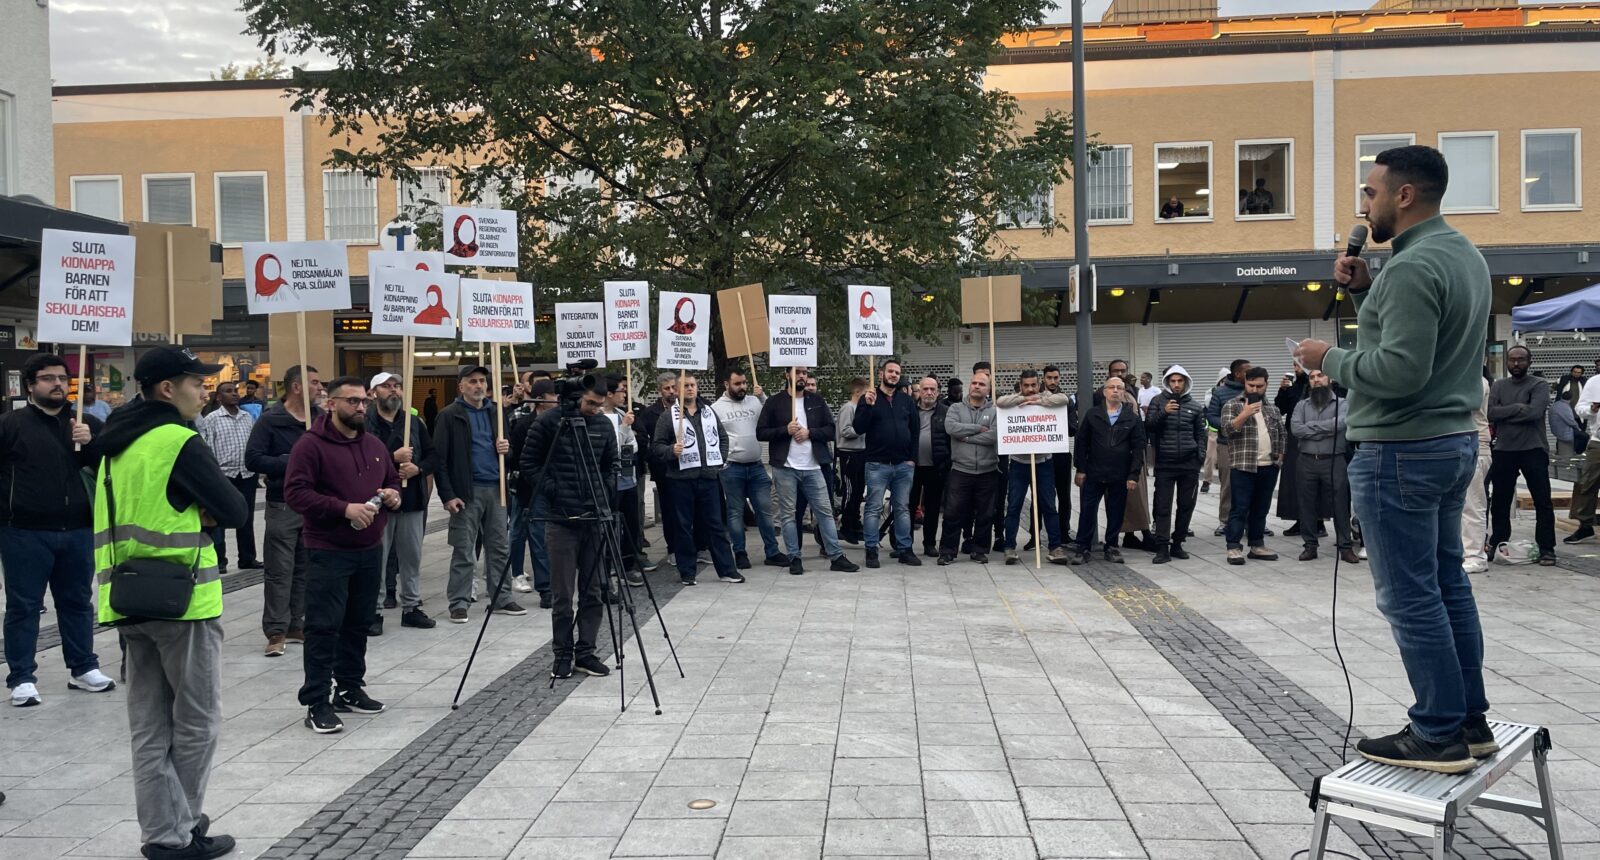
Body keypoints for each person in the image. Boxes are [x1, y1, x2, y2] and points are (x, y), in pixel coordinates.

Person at [1295, 144, 1495, 772]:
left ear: (1404, 195)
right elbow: (1418, 346)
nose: (1365, 206)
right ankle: (1469, 719)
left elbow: (1401, 372)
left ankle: (1437, 731)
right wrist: (1366, 291)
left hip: (1402, 450)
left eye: (1371, 193)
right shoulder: (1461, 255)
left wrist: (1325, 358)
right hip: (1450, 441)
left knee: (1409, 596)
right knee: (1445, 583)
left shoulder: (1413, 268)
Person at [93, 345, 248, 860]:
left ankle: (162, 834)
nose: (204, 388)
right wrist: (205, 512)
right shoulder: (176, 439)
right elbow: (234, 508)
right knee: (198, 721)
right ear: (167, 389)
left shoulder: (115, 442)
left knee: (148, 727)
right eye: (196, 381)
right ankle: (180, 831)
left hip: (128, 597)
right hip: (183, 601)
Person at [284, 377, 401, 733]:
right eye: (352, 402)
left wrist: (394, 496)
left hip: (369, 548)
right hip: (328, 549)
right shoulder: (310, 446)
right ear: (331, 404)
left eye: (363, 401)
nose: (360, 408)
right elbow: (296, 493)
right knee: (323, 627)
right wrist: (342, 509)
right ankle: (316, 700)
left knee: (358, 623)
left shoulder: (374, 444)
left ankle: (349, 688)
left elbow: (393, 480)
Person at [1, 353, 110, 708]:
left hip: (77, 529)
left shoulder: (85, 422)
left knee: (77, 602)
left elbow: (109, 468)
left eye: (63, 378)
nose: (58, 384)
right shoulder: (11, 424)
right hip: (24, 532)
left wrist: (91, 443)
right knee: (24, 606)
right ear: (30, 386)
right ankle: (21, 677)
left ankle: (83, 667)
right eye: (48, 378)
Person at [519, 375, 618, 679]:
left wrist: (603, 490)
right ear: (576, 398)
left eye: (600, 406)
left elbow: (612, 464)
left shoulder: (602, 425)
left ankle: (586, 652)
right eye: (590, 403)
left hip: (594, 519)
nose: (594, 410)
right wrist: (554, 489)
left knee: (594, 591)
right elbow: (528, 463)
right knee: (563, 596)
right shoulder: (550, 422)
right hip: (560, 520)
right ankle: (562, 653)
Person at [435, 365, 524, 622]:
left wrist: (507, 449)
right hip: (467, 490)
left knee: (499, 547)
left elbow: (511, 453)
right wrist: (448, 495)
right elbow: (440, 459)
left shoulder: (496, 413)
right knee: (464, 549)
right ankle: (459, 601)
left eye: (482, 381)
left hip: (496, 489)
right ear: (461, 386)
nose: (478, 386)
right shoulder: (449, 415)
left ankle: (502, 597)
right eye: (472, 381)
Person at [245, 364, 320, 657]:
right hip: (283, 502)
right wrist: (292, 461)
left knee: (305, 566)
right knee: (280, 569)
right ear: (296, 387)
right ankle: (275, 629)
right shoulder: (270, 420)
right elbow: (253, 458)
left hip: (314, 503)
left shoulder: (321, 419)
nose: (319, 387)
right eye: (313, 382)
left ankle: (295, 622)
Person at [757, 368, 860, 575]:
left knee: (825, 513)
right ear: (787, 375)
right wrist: (784, 431)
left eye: (804, 372)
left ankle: (836, 556)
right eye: (797, 372)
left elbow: (831, 430)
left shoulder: (816, 400)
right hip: (786, 467)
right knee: (788, 515)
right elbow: (761, 432)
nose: (802, 376)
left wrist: (810, 433)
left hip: (813, 466)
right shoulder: (775, 402)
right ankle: (794, 557)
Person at [652, 375, 743, 585]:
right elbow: (656, 445)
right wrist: (670, 450)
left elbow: (722, 437)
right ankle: (687, 572)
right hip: (681, 479)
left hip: (708, 478)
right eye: (685, 386)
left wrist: (718, 460)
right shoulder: (669, 417)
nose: (690, 389)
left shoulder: (709, 411)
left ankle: (727, 569)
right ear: (678, 390)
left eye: (692, 385)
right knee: (683, 526)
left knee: (716, 525)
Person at [366, 372, 438, 630]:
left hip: (411, 499)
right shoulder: (364, 424)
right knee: (378, 557)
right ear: (373, 392)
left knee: (411, 557)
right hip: (377, 501)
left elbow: (432, 455)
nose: (393, 391)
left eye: (396, 386)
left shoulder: (414, 423)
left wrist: (417, 468)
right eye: (386, 386)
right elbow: (360, 460)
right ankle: (373, 611)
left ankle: (411, 606)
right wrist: (391, 456)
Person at [1486, 345, 1555, 565]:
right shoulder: (1498, 385)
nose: (1516, 364)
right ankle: (1498, 542)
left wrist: (1506, 412)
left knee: (1542, 501)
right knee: (1499, 501)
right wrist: (1519, 407)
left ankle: (1547, 548)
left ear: (1529, 362)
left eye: (1521, 360)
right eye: (1512, 360)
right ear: (1506, 362)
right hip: (1504, 450)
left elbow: (1535, 412)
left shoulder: (1539, 384)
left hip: (1533, 449)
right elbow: (1490, 413)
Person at [711, 367, 785, 569]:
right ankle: (740, 553)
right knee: (735, 513)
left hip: (756, 467)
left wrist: (762, 397)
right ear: (727, 384)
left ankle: (772, 551)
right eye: (737, 384)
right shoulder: (716, 408)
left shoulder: (754, 401)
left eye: (744, 383)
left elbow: (774, 414)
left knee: (765, 510)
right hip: (732, 468)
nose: (742, 387)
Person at [994, 370, 1070, 564]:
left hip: (1043, 463)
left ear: (1039, 384)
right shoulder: (1016, 398)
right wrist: (1021, 399)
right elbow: (1000, 402)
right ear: (1020, 385)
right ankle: (1009, 547)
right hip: (1019, 464)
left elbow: (1064, 399)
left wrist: (1038, 401)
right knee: (1014, 506)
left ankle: (1055, 547)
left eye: (1033, 385)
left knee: (1049, 506)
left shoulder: (1047, 396)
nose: (1030, 389)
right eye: (1026, 385)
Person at [853, 358, 922, 567]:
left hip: (903, 465)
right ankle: (871, 550)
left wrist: (912, 458)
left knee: (902, 508)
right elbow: (858, 428)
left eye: (897, 372)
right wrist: (867, 406)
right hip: (877, 464)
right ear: (881, 374)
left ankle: (905, 549)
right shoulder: (869, 398)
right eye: (890, 371)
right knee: (873, 508)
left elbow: (915, 430)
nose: (893, 375)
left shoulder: (906, 401)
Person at [1070, 376, 1145, 564]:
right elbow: (1081, 443)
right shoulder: (1093, 415)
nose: (1115, 391)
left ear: (1124, 392)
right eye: (1111, 387)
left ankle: (1111, 546)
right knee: (1087, 511)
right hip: (1094, 472)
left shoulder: (1132, 418)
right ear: (1104, 392)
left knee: (1116, 512)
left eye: (1119, 388)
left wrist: (1133, 474)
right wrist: (1080, 469)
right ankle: (1082, 548)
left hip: (1119, 473)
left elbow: (1138, 448)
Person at [1220, 367, 1284, 565]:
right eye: (1251, 385)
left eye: (1259, 386)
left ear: (1266, 385)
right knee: (1240, 507)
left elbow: (1282, 435)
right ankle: (1233, 547)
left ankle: (1257, 544)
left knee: (1261, 507)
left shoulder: (1272, 409)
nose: (1255, 389)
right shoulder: (1232, 405)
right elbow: (1227, 430)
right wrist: (1245, 413)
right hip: (1243, 465)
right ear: (1244, 384)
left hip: (1269, 465)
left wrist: (1279, 459)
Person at [1291, 370, 1356, 563]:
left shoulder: (1343, 404)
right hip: (1307, 460)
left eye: (1320, 376)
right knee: (1306, 504)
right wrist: (1326, 430)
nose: (1316, 380)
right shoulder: (1302, 405)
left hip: (1334, 460)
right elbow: (1296, 429)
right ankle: (1310, 546)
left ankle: (1345, 547)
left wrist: (1310, 429)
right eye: (1312, 377)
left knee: (1340, 504)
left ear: (1330, 379)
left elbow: (1342, 424)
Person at [197, 380, 260, 574]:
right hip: (224, 475)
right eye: (228, 391)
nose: (234, 394)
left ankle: (247, 558)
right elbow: (208, 446)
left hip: (246, 474)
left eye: (235, 391)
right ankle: (219, 560)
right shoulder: (212, 419)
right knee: (219, 519)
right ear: (219, 397)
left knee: (246, 517)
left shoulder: (247, 417)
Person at [1145, 365, 1205, 564]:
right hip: (1165, 462)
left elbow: (1200, 434)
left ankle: (1178, 543)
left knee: (1186, 505)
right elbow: (1149, 425)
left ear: (1186, 382)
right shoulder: (1157, 401)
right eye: (1173, 381)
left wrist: (1200, 456)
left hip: (1189, 463)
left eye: (1180, 381)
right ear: (1167, 382)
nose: (1177, 385)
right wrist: (1164, 412)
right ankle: (1162, 547)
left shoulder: (1195, 406)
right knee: (1163, 505)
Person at [508, 379, 559, 607]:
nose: (557, 400)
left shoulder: (563, 422)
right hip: (534, 489)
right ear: (540, 400)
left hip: (560, 489)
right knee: (538, 539)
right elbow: (521, 461)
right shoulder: (524, 425)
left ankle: (559, 583)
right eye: (552, 396)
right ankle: (546, 588)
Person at [940, 372, 997, 565]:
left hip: (987, 470)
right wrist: (977, 428)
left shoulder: (995, 411)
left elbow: (994, 436)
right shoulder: (955, 408)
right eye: (974, 383)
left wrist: (967, 437)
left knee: (985, 513)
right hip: (960, 469)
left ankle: (979, 550)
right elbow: (951, 428)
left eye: (982, 384)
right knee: (953, 512)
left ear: (988, 389)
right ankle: (948, 551)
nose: (977, 386)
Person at [603, 374, 647, 586]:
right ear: (609, 393)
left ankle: (628, 565)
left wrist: (626, 432)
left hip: (627, 477)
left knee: (630, 523)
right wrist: (624, 430)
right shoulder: (598, 418)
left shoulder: (622, 414)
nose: (624, 395)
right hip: (609, 481)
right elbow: (611, 448)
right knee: (610, 525)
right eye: (621, 390)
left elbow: (633, 445)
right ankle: (608, 566)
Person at [908, 376, 951, 558]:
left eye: (932, 389)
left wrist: (947, 461)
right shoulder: (910, 410)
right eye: (925, 389)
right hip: (912, 466)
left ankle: (930, 544)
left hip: (936, 467)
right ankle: (905, 544)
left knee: (933, 508)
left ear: (938, 392)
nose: (929, 392)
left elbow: (951, 439)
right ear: (919, 391)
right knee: (908, 507)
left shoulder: (946, 411)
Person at [1206, 360, 1250, 535]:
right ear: (1238, 373)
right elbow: (1211, 416)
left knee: (1251, 484)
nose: (1252, 373)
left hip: (1251, 445)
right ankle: (1225, 521)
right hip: (1227, 444)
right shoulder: (1220, 393)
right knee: (1228, 484)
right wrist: (1229, 426)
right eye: (1248, 371)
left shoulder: (1253, 390)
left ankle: (1252, 520)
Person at [639, 372, 681, 559]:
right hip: (664, 470)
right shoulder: (650, 414)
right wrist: (657, 459)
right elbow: (646, 442)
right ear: (660, 391)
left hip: (689, 468)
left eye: (674, 387)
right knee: (669, 510)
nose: (671, 392)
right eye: (667, 388)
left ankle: (697, 546)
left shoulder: (689, 407)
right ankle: (673, 547)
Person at [1566, 361, 1600, 545]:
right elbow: (1580, 408)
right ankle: (1585, 525)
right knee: (1588, 483)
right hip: (1598, 440)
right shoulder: (1595, 382)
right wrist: (1592, 410)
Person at [1041, 365, 1075, 545]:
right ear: (1043, 379)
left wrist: (1058, 422)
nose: (1052, 381)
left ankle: (1064, 532)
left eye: (1055, 378)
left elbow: (1073, 429)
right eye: (1049, 378)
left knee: (1064, 496)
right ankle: (1034, 535)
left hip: (1061, 454)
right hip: (1041, 454)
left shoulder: (1066, 400)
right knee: (1040, 497)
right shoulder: (1036, 398)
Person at [835, 377, 869, 544]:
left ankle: (855, 522)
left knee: (858, 490)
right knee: (849, 491)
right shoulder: (849, 408)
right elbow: (845, 431)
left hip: (862, 452)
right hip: (849, 453)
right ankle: (846, 525)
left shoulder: (862, 408)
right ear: (857, 392)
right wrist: (862, 430)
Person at [1463, 378, 1491, 574]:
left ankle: (1475, 555)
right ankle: (1462, 552)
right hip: (1455, 443)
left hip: (1475, 445)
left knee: (1472, 504)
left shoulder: (1476, 380)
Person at [1276, 371, 1309, 535]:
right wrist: (1283, 391)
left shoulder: (1316, 384)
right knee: (1293, 478)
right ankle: (1300, 518)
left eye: (1298, 364)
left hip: (1313, 437)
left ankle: (1317, 521)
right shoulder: (1294, 386)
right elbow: (1281, 409)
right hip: (1293, 436)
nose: (1295, 368)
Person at [1199, 368, 1229, 494]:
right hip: (1214, 430)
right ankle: (1207, 480)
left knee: (1226, 460)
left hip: (1229, 430)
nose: (1226, 381)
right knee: (1210, 457)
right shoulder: (1212, 391)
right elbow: (1208, 405)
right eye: (1224, 379)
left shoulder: (1234, 391)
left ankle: (1225, 482)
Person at [1550, 392, 1583, 461]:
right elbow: (1570, 421)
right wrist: (1578, 428)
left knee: (1578, 434)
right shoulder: (1565, 407)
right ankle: (1578, 452)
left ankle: (1564, 451)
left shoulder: (1556, 404)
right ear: (1571, 399)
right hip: (1563, 431)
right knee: (1584, 436)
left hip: (1556, 429)